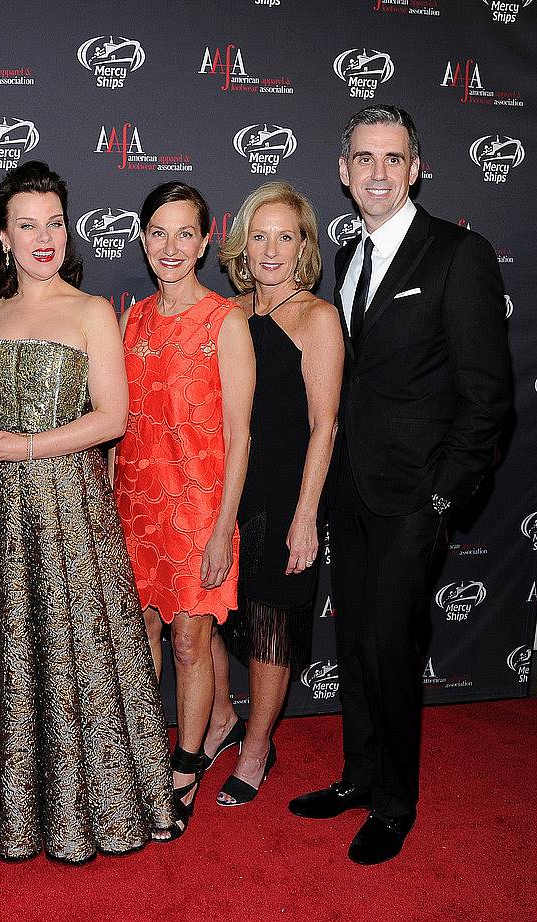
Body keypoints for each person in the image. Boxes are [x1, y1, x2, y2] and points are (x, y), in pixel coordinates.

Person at [0, 161, 175, 861]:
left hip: (68, 508)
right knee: (5, 655)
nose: (43, 236)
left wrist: (29, 445)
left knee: (72, 649)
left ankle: (92, 808)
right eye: (27, 225)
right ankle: (4, 806)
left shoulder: (90, 312)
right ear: (1, 237)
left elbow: (113, 419)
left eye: (54, 221)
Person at [288, 106, 511, 865]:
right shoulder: (346, 253)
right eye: (363, 158)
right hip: (350, 489)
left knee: (391, 648)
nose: (378, 172)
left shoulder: (458, 254)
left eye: (393, 158)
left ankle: (394, 803)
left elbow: (488, 398)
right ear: (343, 172)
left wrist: (442, 500)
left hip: (414, 497)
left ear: (414, 169)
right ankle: (357, 775)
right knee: (353, 643)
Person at [111, 181, 256, 836]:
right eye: (158, 233)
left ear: (204, 242)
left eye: (184, 234)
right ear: (144, 241)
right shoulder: (131, 319)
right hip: (135, 511)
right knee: (140, 640)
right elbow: (118, 426)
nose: (170, 247)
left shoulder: (225, 321)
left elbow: (240, 435)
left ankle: (188, 763)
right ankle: (145, 751)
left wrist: (223, 528)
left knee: (193, 642)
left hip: (199, 510)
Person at [206, 182, 343, 806]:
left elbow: (325, 425)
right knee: (206, 618)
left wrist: (307, 514)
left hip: (287, 494)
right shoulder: (229, 315)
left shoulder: (316, 317)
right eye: (259, 234)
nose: (270, 248)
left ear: (304, 248)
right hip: (227, 490)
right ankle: (224, 721)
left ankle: (257, 747)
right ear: (241, 243)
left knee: (270, 629)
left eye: (285, 236)